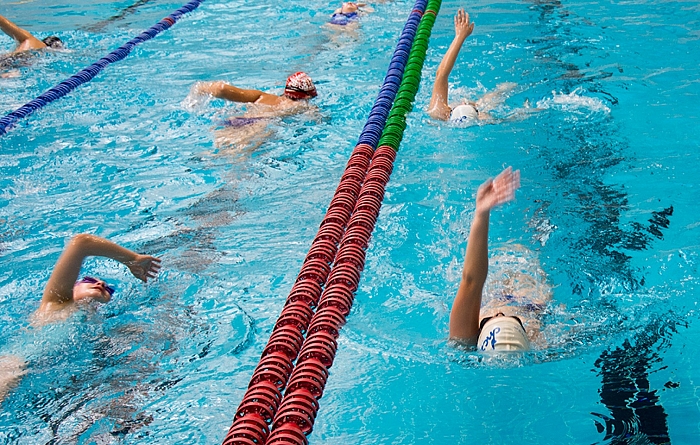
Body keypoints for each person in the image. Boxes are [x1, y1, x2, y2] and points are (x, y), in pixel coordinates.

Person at [0, 233, 160, 402]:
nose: (100, 284)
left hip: (39, 380)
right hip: (11, 365)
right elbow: (81, 243)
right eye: (89, 280)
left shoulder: (97, 329)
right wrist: (131, 259)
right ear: (73, 287)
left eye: (108, 289)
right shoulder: (57, 302)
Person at [449, 167, 551, 352]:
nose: (499, 311)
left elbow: (471, 281)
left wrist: (481, 214)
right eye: (512, 320)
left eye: (488, 321)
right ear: (528, 335)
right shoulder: (542, 342)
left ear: (477, 335)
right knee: (537, 250)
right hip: (530, 302)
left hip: (504, 293)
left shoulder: (463, 341)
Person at [187, 72, 318, 150]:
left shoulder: (261, 96)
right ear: (307, 96)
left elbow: (221, 89)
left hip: (234, 122)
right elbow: (316, 121)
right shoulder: (304, 107)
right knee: (238, 167)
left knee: (215, 153)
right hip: (255, 127)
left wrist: (201, 89)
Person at [427, 9, 518, 123]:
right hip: (481, 112)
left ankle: (504, 89)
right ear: (479, 115)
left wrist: (459, 36)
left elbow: (441, 74)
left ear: (449, 114)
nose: (463, 102)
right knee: (489, 101)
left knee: (489, 100)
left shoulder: (438, 112)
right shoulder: (484, 117)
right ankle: (504, 89)